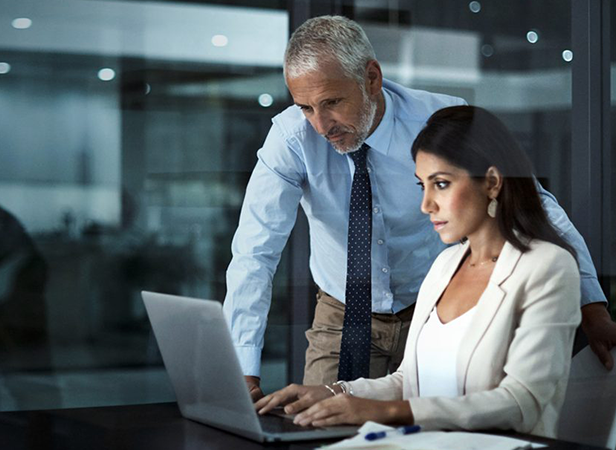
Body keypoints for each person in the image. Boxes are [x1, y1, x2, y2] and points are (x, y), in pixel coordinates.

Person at [223, 15, 614, 401]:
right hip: (342, 311)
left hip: (439, 303)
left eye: (332, 102)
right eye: (306, 107)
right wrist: (241, 366)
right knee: (319, 424)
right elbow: (255, 253)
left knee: (440, 424)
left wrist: (592, 306)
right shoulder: (292, 138)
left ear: (371, 79)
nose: (321, 125)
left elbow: (534, 204)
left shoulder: (438, 122)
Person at [255, 106, 581, 437]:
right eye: (421, 185)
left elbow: (521, 402)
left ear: (493, 182)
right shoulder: (444, 266)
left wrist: (385, 413)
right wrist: (334, 392)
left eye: (441, 184)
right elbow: (408, 380)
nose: (426, 205)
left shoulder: (547, 267)